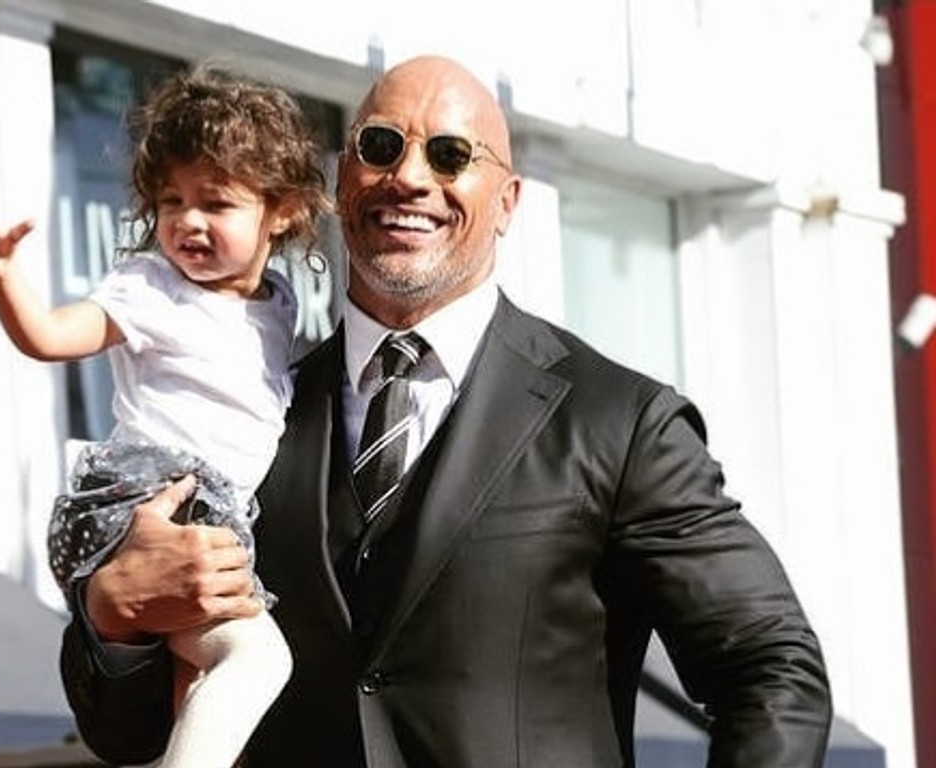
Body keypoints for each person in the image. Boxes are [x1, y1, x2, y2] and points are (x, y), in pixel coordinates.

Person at [59, 54, 833, 767]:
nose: (409, 177)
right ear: (341, 179)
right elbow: (126, 734)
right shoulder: (239, 413)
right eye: (380, 146)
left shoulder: (619, 422)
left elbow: (771, 668)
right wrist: (114, 614)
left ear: (508, 201)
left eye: (451, 155)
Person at [0, 62, 329, 768]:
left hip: (217, 516)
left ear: (285, 211)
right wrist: (3, 279)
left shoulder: (277, 302)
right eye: (171, 200)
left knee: (199, 684)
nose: (187, 221)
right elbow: (50, 337)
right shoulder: (151, 287)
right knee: (258, 660)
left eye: (215, 202)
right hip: (152, 501)